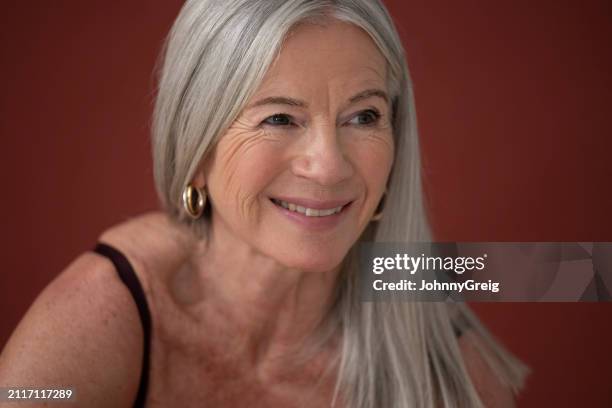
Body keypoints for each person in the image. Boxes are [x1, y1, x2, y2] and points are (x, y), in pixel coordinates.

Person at [0, 0, 528, 406]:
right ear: (196, 145)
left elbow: (575, 270)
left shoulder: (451, 368)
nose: (328, 166)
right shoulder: (103, 316)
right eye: (279, 118)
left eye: (363, 117)